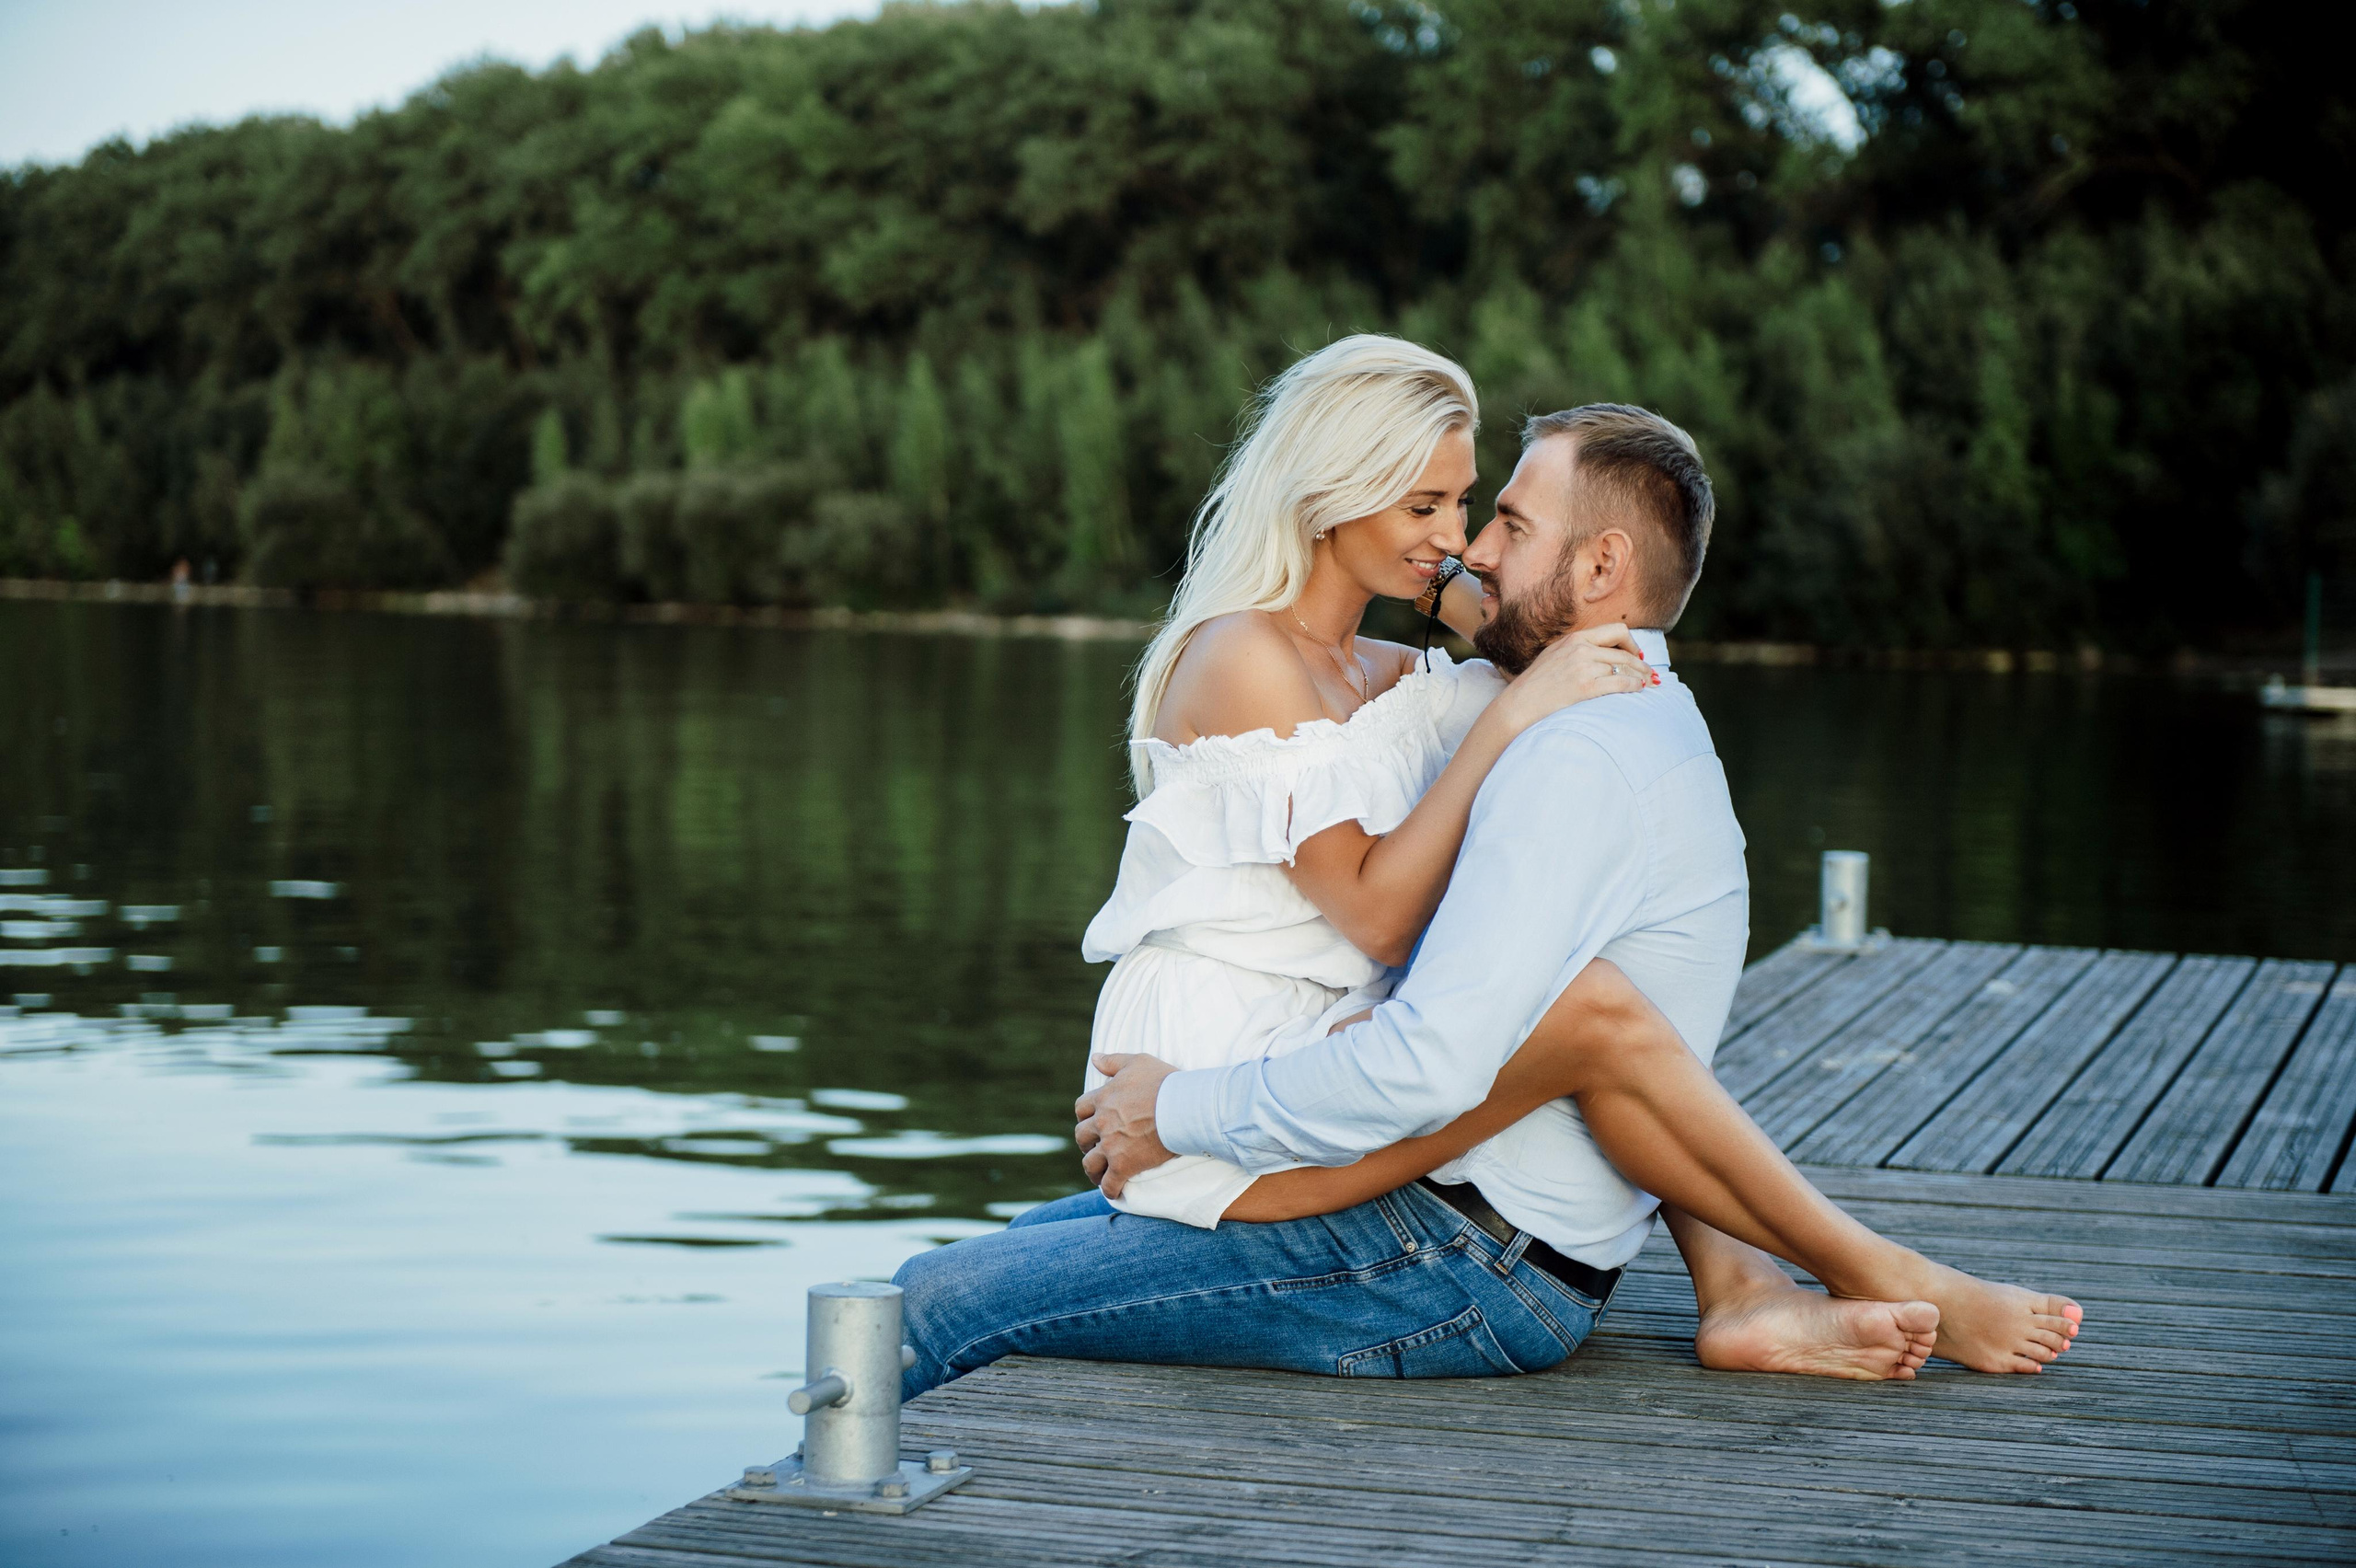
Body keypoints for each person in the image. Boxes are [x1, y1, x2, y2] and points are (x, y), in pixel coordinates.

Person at [895, 337, 2081, 1399]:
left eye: (1490, 515)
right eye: (1443, 505)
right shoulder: (1578, 703)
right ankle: (1755, 1287)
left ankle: (1820, 1275)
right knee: (1011, 1254)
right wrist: (1517, 639)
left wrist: (1180, 1106)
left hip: (1431, 1233)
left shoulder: (1546, 730)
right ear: (1334, 492)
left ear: (1603, 565)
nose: (1464, 544)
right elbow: (1469, 655)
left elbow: (1411, 1008)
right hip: (1340, 1154)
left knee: (927, 1302)